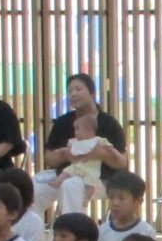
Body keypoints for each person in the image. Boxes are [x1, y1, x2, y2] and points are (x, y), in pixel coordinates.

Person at [31, 73, 128, 218]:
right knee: (33, 188)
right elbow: (49, 158)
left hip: (98, 179)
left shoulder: (109, 124)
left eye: (78, 89)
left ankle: (73, 229)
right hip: (64, 174)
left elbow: (122, 162)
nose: (73, 94)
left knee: (71, 185)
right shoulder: (63, 122)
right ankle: (33, 229)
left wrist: (99, 153)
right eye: (70, 91)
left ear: (92, 93)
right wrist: (65, 155)